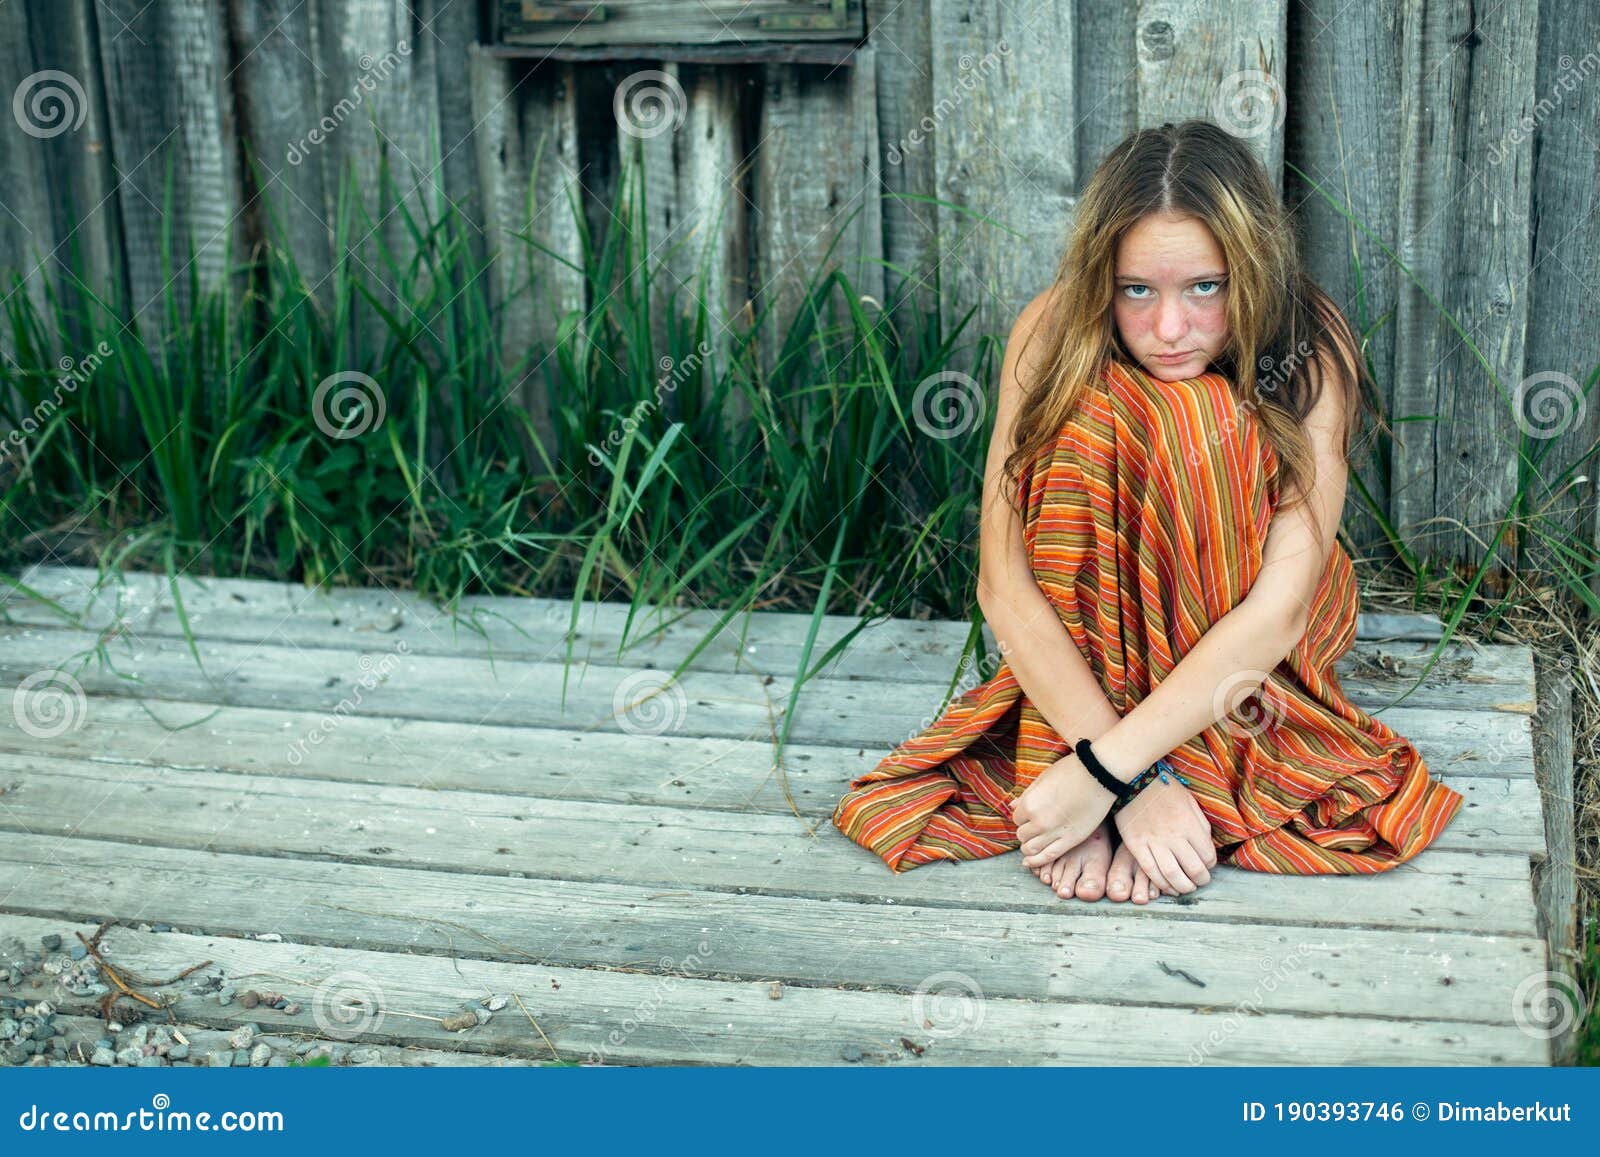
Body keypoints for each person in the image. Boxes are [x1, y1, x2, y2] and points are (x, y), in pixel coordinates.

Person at [831, 119, 1464, 903]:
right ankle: (1130, 766)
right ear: (1104, 278)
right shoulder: (1053, 330)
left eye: (1207, 287)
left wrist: (1101, 773)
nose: (1170, 328)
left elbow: (1282, 609)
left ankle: (1182, 763)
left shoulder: (1307, 344)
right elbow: (1002, 581)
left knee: (1202, 422)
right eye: (1138, 290)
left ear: (1251, 269)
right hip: (1086, 644)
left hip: (1254, 648)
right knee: (1098, 413)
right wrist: (1134, 786)